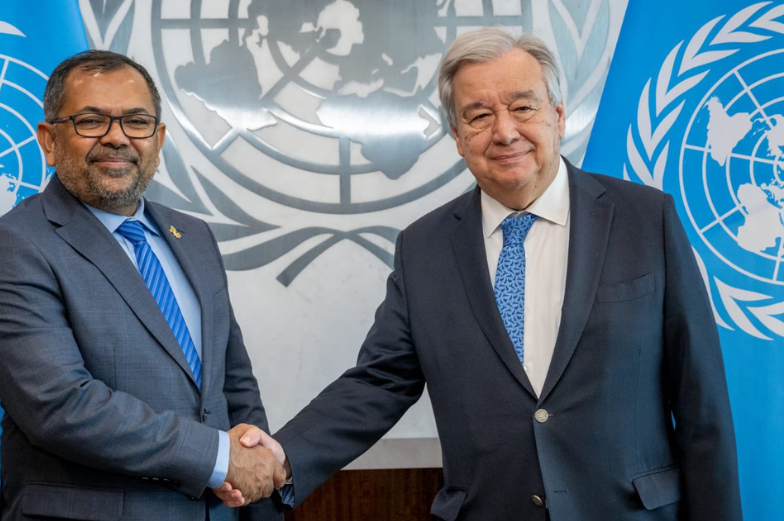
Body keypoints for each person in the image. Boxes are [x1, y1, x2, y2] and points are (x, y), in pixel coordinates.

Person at [220, 28, 742, 520]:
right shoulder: (424, 247)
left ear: (557, 116)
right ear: (457, 135)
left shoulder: (645, 219)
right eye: (478, 115)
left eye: (522, 106)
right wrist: (282, 455)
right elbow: (379, 382)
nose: (505, 131)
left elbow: (701, 403)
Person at [0, 50, 282, 521]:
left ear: (159, 137)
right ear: (49, 140)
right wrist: (219, 457)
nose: (117, 137)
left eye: (136, 121)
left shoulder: (194, 236)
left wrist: (254, 468)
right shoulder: (8, 248)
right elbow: (62, 407)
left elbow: (233, 381)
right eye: (91, 121)